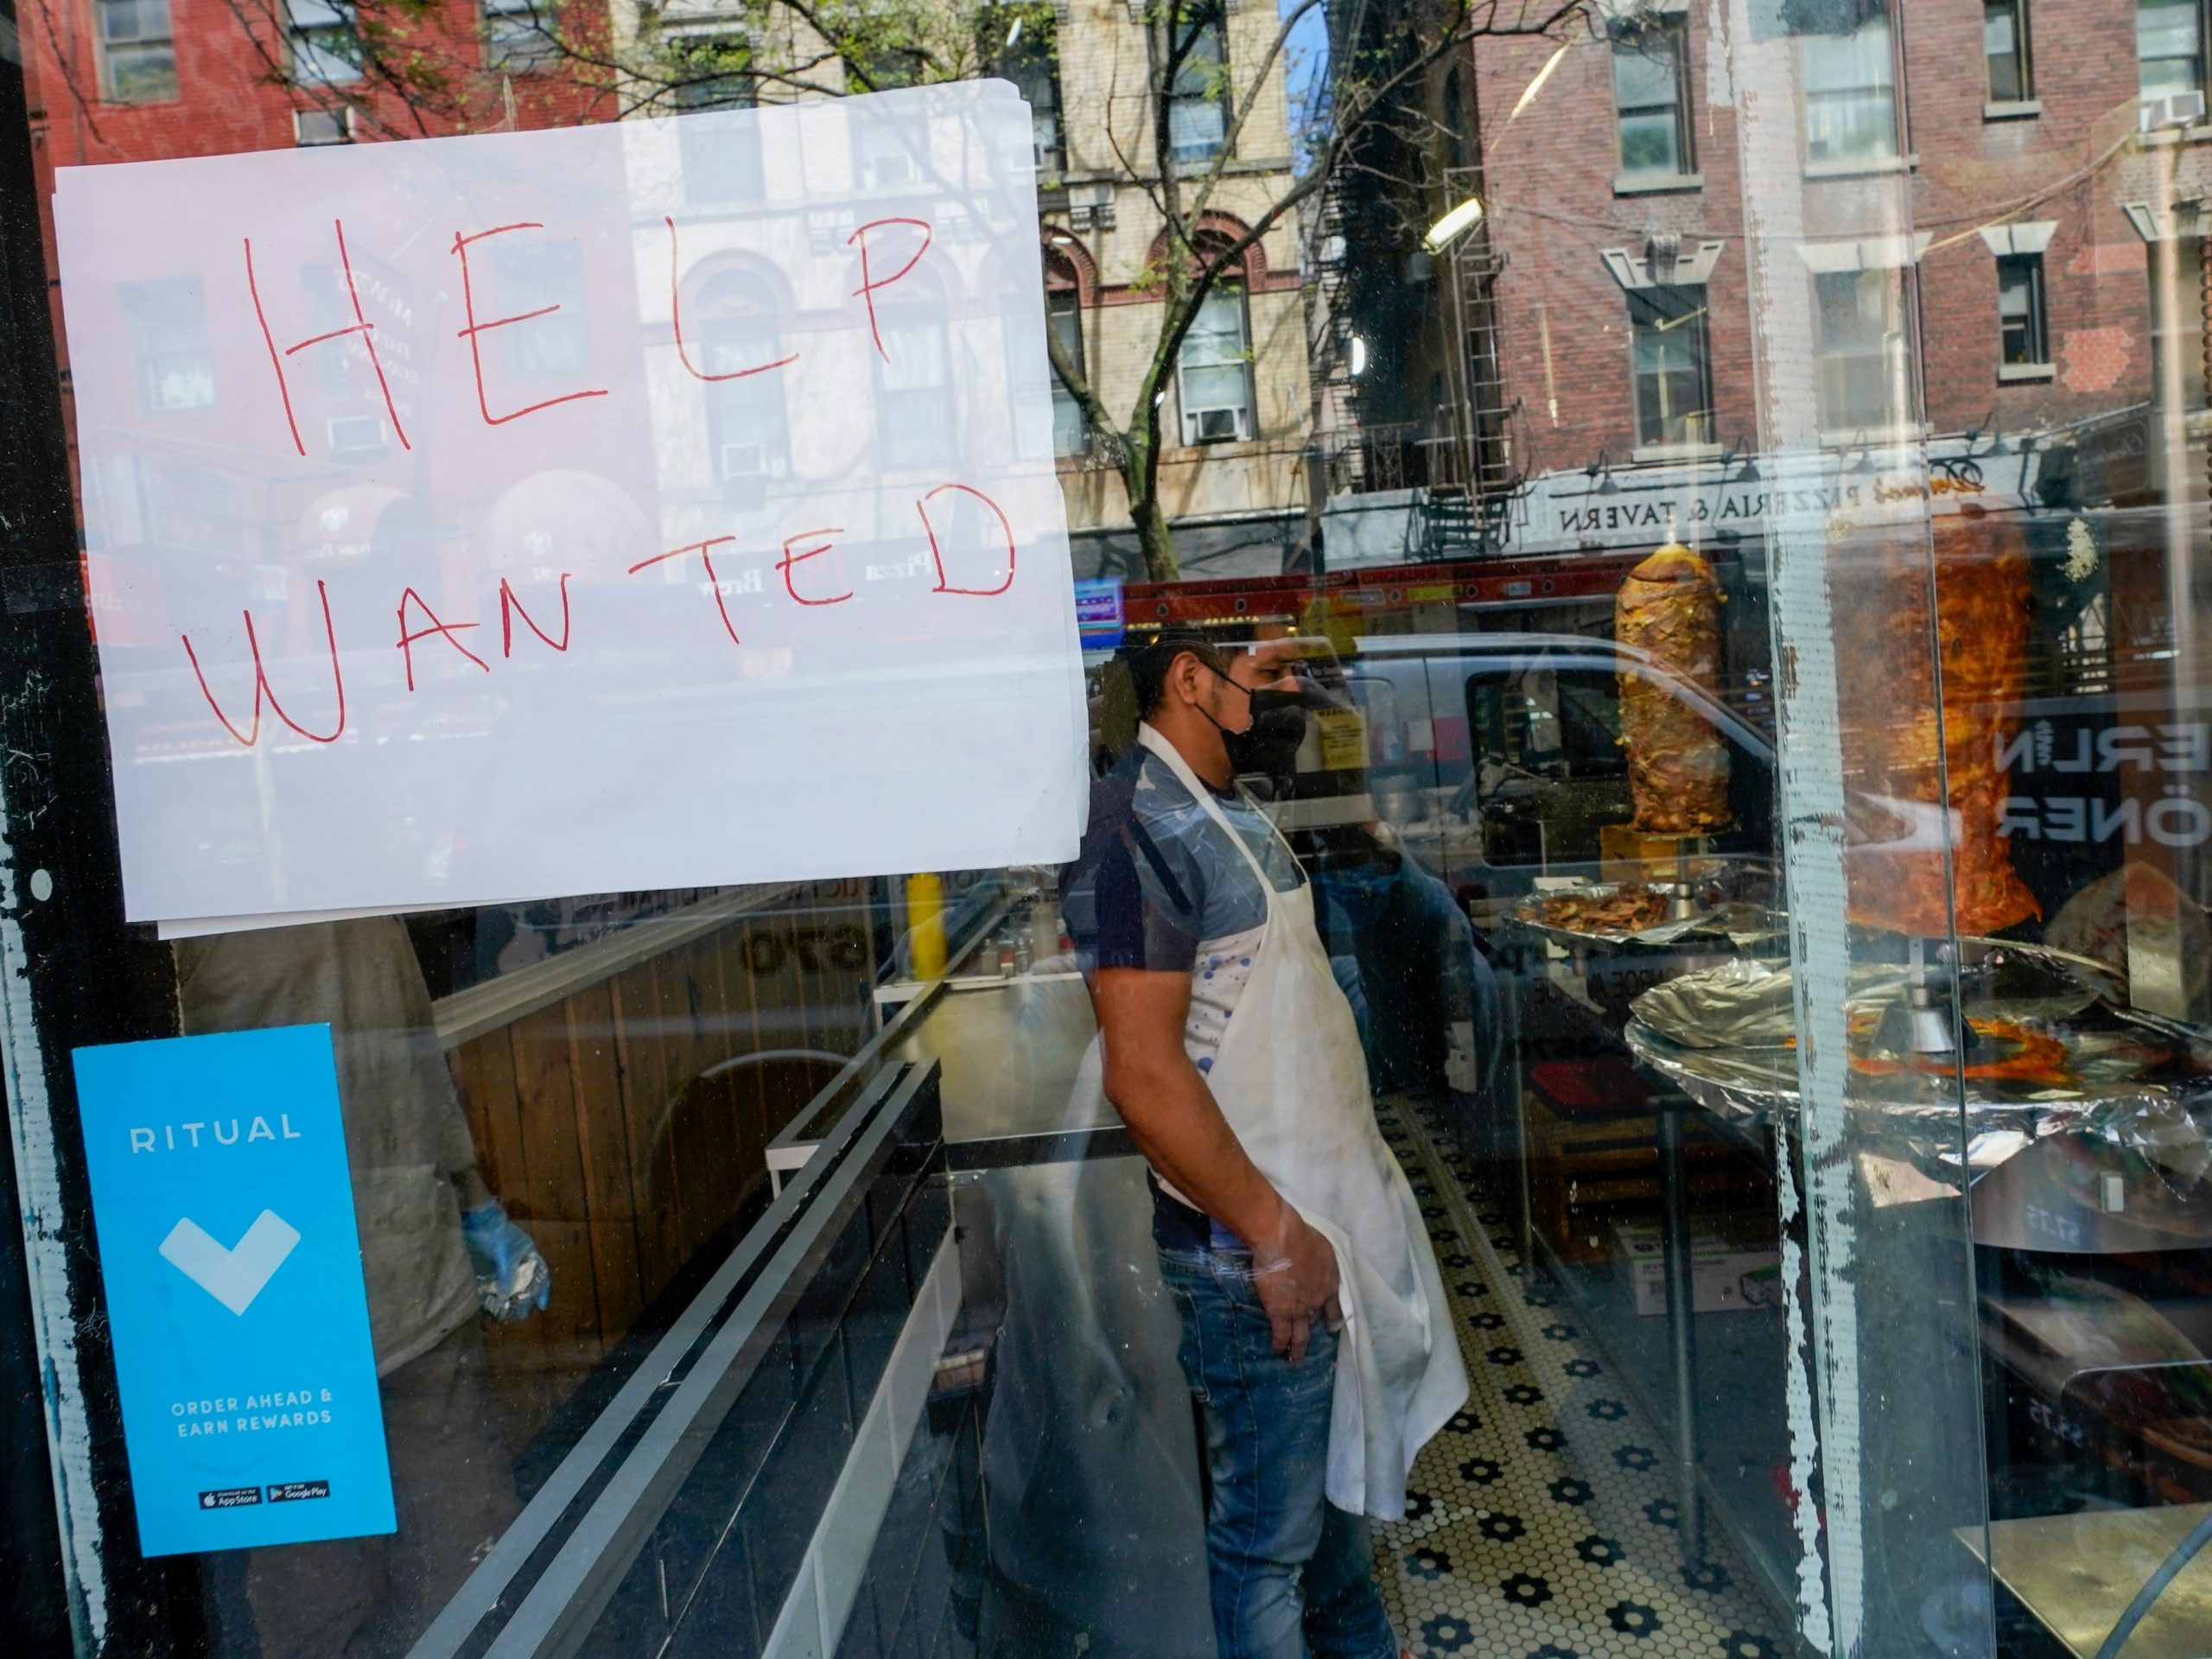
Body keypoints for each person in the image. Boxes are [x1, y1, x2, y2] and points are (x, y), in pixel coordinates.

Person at [1061, 630, 1468, 1659]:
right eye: (1272, 674)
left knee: (1323, 1541)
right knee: (1266, 1550)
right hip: (1254, 1250)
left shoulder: (1232, 811)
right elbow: (1144, 1077)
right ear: (1189, 681)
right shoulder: (1135, 829)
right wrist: (1275, 1237)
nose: (1293, 694)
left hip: (1312, 1218)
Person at [175, 917, 548, 1659]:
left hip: (391, 1280)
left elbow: (413, 1048)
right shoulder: (187, 907)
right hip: (278, 1307)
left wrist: (474, 1202)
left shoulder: (341, 891)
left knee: (461, 1575)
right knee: (334, 1597)